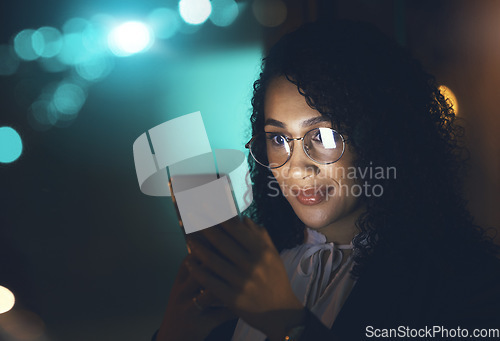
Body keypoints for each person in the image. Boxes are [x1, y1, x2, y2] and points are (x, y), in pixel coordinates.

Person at [154, 20, 500, 341]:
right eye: (278, 138)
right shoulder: (252, 270)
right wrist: (177, 331)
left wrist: (287, 322)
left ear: (384, 139)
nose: (298, 168)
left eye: (324, 136)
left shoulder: (466, 283)